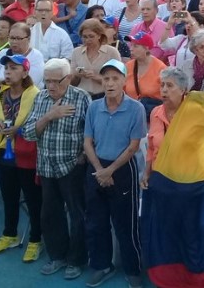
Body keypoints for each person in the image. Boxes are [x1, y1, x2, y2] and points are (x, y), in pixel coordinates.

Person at [22, 58, 91, 281]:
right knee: (50, 214)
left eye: (56, 81)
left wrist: (82, 157)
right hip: (46, 166)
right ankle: (57, 256)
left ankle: (77, 259)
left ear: (68, 78)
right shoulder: (41, 98)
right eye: (47, 81)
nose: (51, 86)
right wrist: (50, 116)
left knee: (77, 214)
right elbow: (28, 133)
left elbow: (92, 134)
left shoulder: (82, 98)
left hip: (72, 166)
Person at [83, 58, 147, 288]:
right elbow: (87, 142)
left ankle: (132, 269)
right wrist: (100, 170)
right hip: (96, 168)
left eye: (114, 78)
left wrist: (110, 170)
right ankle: (102, 265)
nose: (109, 83)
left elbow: (133, 146)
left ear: (123, 81)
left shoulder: (136, 108)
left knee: (126, 223)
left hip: (122, 171)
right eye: (106, 78)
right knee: (96, 222)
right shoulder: (94, 107)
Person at [0, 53, 43, 262]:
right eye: (6, 68)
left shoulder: (36, 94)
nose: (8, 71)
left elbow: (38, 123)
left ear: (25, 72)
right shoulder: (2, 94)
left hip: (26, 154)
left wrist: (19, 129)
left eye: (14, 68)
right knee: (10, 197)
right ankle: (10, 234)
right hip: (5, 153)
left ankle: (35, 239)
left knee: (33, 200)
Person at [70, 18, 122, 99]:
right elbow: (72, 83)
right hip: (81, 97)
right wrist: (77, 75)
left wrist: (96, 76)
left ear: (99, 35)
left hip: (104, 96)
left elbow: (118, 81)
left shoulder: (112, 52)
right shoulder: (76, 52)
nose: (87, 40)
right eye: (84, 37)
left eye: (91, 36)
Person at [123, 31, 167, 117]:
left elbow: (167, 95)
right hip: (130, 114)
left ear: (146, 48)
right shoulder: (128, 66)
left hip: (153, 116)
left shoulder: (161, 68)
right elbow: (122, 91)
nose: (131, 49)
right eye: (131, 45)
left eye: (135, 46)